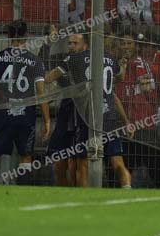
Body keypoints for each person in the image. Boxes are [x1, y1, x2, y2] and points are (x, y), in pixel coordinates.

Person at [44, 33, 131, 188]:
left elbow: (49, 78)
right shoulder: (109, 58)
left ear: (86, 44)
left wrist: (59, 83)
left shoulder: (73, 59)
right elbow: (120, 77)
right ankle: (128, 191)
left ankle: (83, 197)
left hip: (86, 117)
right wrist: (123, 65)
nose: (71, 46)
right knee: (117, 161)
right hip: (108, 115)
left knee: (82, 163)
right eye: (69, 43)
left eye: (74, 43)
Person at [0, 21, 50, 186]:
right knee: (26, 156)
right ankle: (23, 192)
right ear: (27, 36)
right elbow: (41, 94)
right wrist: (47, 120)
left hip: (2, 114)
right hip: (26, 116)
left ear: (9, 35)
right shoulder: (35, 61)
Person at [115, 32, 160, 188]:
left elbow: (151, 93)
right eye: (123, 44)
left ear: (136, 46)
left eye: (129, 43)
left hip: (144, 125)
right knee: (122, 169)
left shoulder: (140, 64)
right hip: (125, 125)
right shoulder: (118, 66)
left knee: (156, 170)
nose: (126, 47)